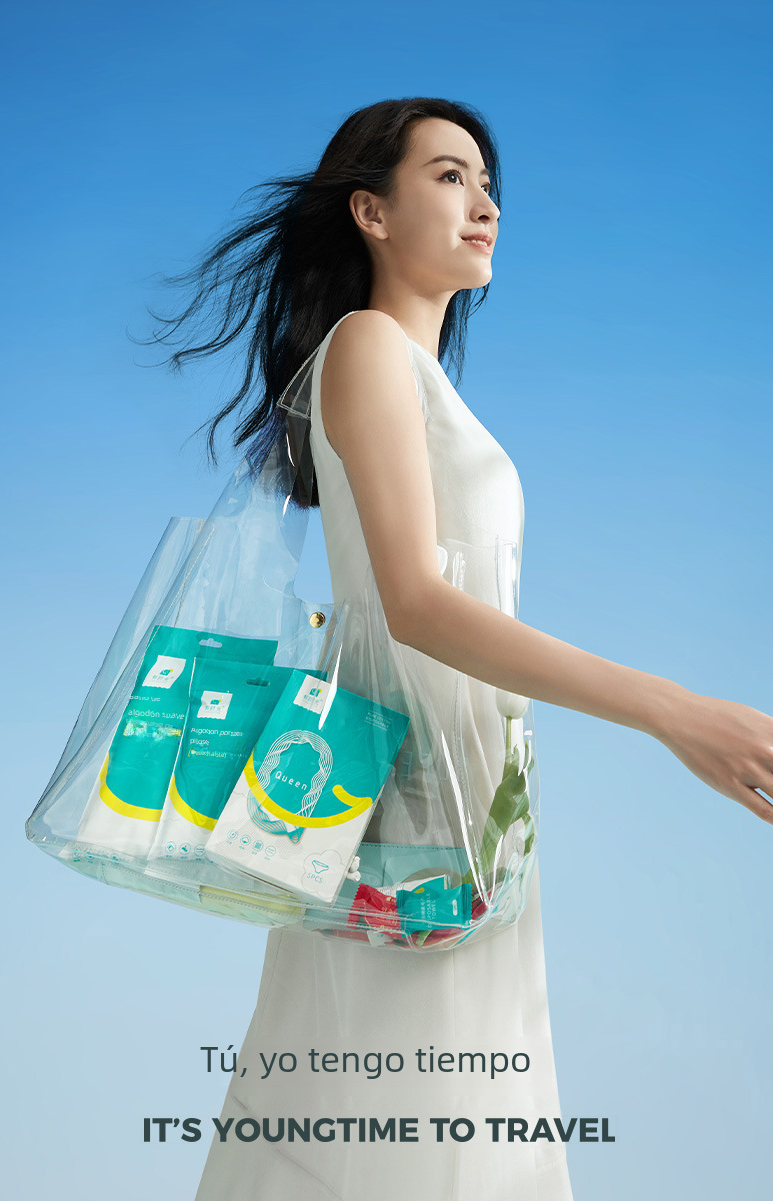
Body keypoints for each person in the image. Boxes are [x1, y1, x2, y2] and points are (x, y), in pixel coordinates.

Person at [143, 97, 773, 1201]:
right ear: (370, 212)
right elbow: (418, 606)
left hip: (467, 801)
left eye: (488, 185)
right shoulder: (366, 347)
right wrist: (674, 709)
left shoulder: (420, 380)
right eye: (448, 176)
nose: (484, 204)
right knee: (402, 1133)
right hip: (403, 803)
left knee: (427, 1126)